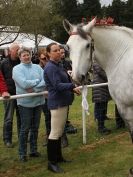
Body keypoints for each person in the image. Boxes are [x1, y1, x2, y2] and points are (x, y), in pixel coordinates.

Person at [44, 43, 81, 173]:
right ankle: (51, 162)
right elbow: (57, 85)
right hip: (57, 103)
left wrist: (72, 87)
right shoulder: (50, 67)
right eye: (55, 51)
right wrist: (71, 87)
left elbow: (65, 81)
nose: (59, 52)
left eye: (59, 50)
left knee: (59, 132)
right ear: (48, 53)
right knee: (54, 133)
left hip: (63, 102)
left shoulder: (58, 65)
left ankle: (58, 158)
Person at [13, 47, 45, 162]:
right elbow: (23, 84)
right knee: (25, 129)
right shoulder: (16, 69)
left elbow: (45, 81)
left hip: (38, 102)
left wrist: (34, 87)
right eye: (24, 55)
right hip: (25, 103)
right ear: (20, 57)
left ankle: (33, 150)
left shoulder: (37, 67)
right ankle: (22, 153)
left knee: (35, 128)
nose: (26, 57)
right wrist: (37, 82)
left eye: (28, 54)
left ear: (31, 55)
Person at [0, 43, 21, 148]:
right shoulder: (3, 63)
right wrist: (3, 91)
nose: (18, 51)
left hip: (20, 94)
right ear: (11, 50)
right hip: (9, 95)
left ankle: (22, 137)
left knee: (20, 116)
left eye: (19, 49)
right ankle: (7, 139)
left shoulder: (21, 61)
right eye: (17, 49)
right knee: (8, 118)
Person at [60, 45, 77, 148]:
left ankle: (66, 127)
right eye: (59, 52)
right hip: (60, 91)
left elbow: (72, 74)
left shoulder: (67, 62)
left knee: (66, 112)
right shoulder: (53, 64)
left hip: (68, 90)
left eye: (62, 52)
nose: (61, 54)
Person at [92, 59, 111, 135]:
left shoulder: (99, 61)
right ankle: (101, 127)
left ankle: (101, 123)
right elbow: (101, 72)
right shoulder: (97, 62)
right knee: (101, 107)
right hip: (99, 87)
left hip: (101, 86)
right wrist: (110, 77)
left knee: (102, 106)